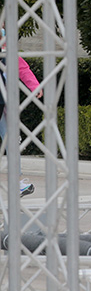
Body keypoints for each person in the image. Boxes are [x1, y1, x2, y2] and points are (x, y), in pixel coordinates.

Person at [0, 25, 43, 197]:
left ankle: (17, 183)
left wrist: (34, 86)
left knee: (12, 141)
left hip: (5, 106)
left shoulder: (9, 54)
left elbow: (23, 69)